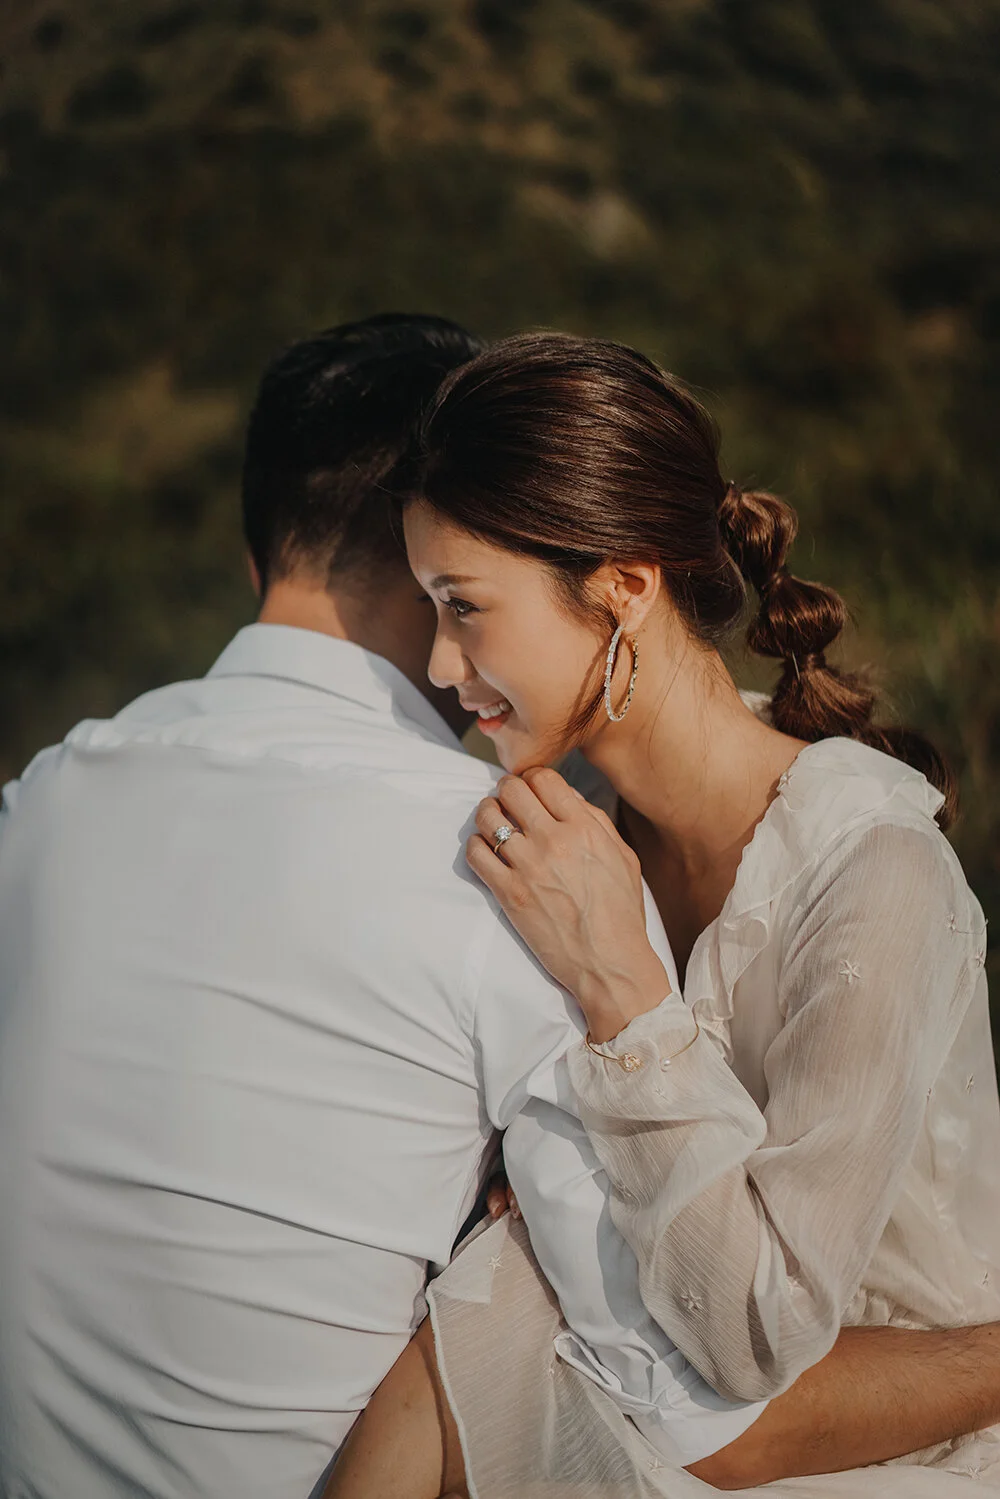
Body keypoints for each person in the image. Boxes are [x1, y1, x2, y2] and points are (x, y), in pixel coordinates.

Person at [0, 312, 797, 1499]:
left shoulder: (40, 804)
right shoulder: (511, 863)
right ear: (437, 553)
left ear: (253, 553)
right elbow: (688, 1384)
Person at [330, 333, 1000, 1498]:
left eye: (466, 606)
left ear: (625, 586)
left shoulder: (873, 872)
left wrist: (623, 993)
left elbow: (757, 1327)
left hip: (888, 1443)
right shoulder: (564, 823)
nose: (441, 663)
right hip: (668, 1382)